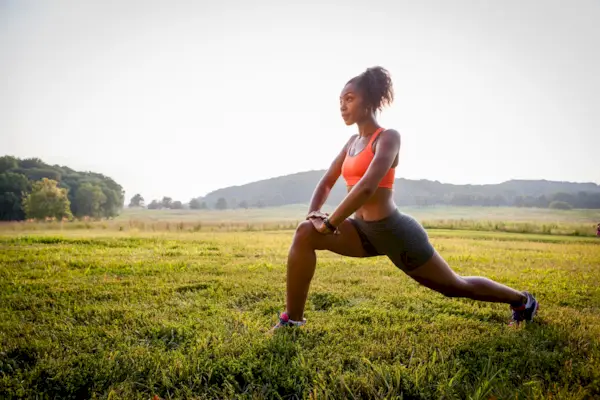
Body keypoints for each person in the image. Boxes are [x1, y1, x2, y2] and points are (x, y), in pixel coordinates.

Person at [271, 66, 539, 331]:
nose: (342, 106)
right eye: (340, 101)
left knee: (455, 286)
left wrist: (330, 224)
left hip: (396, 233)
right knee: (305, 232)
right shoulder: (351, 143)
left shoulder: (388, 138)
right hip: (362, 232)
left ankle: (522, 301)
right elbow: (327, 181)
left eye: (349, 99)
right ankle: (292, 320)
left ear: (370, 101)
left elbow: (366, 187)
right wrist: (314, 214)